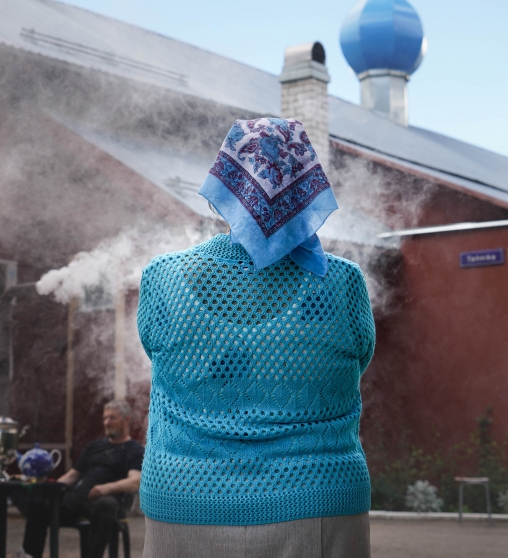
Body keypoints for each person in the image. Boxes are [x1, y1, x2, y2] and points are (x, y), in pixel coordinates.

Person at [137, 118, 375, 558]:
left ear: (224, 185)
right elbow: (359, 359)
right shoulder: (342, 283)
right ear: (309, 186)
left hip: (185, 499)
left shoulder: (163, 277)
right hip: (319, 499)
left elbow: (155, 349)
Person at [21, 400, 143, 558]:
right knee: (39, 505)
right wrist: (49, 488)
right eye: (105, 418)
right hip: (78, 498)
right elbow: (72, 475)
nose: (106, 422)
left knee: (105, 506)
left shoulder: (134, 450)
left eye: (112, 418)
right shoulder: (94, 446)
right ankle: (29, 555)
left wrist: (107, 488)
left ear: (126, 420)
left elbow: (135, 481)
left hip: (108, 500)